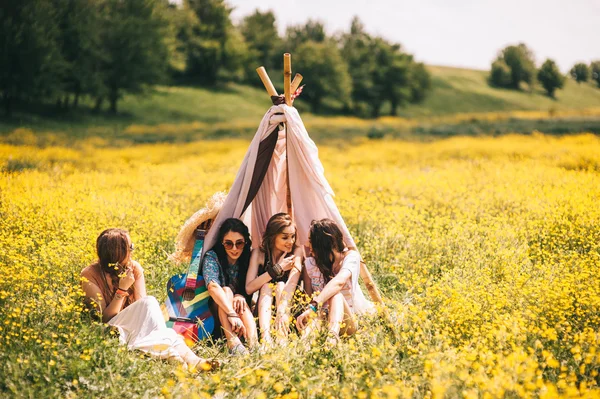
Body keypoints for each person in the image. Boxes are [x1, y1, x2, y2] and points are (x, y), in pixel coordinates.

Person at [80, 228, 214, 371]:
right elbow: (104, 319)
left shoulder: (134, 268)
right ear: (117, 253)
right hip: (113, 329)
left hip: (135, 329)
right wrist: (121, 290)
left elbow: (145, 315)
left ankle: (193, 360)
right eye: (130, 247)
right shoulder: (90, 275)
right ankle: (172, 352)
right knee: (151, 305)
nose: (133, 250)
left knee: (150, 306)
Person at [296, 219, 375, 346]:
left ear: (322, 244)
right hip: (320, 316)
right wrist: (311, 311)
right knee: (313, 325)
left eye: (311, 241)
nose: (307, 244)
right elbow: (308, 296)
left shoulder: (350, 257)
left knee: (335, 294)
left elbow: (339, 282)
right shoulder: (310, 264)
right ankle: (300, 351)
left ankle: (332, 339)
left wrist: (314, 305)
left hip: (345, 321)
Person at [245, 213, 303, 345]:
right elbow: (249, 288)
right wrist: (277, 269)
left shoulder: (296, 252)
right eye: (285, 237)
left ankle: (281, 336)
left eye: (293, 236)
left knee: (281, 285)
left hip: (288, 308)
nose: (291, 241)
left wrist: (282, 310)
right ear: (272, 237)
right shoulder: (259, 253)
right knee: (266, 286)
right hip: (265, 311)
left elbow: (292, 283)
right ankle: (266, 338)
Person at [202, 218, 258, 354]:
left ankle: (254, 346)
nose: (234, 249)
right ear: (222, 243)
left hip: (241, 313)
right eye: (228, 244)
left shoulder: (249, 258)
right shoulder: (212, 257)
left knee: (239, 299)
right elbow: (213, 287)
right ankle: (233, 344)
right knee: (226, 291)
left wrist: (239, 296)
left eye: (239, 243)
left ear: (245, 242)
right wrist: (231, 313)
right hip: (214, 317)